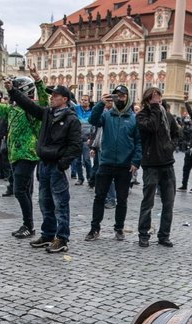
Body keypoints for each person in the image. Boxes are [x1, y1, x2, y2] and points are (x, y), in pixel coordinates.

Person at [8, 83, 81, 252]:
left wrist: (63, 163)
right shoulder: (48, 113)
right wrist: (13, 91)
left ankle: (62, 238)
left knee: (60, 203)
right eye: (51, 95)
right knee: (44, 201)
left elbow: (75, 145)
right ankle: (48, 234)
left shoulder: (71, 119)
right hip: (44, 163)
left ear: (64, 99)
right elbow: (29, 105)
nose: (51, 98)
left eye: (55, 96)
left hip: (57, 165)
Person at [0, 70, 47, 238]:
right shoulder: (13, 109)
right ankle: (29, 225)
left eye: (15, 90)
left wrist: (38, 81)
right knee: (24, 190)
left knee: (19, 190)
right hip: (14, 153)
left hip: (27, 153)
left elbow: (44, 100)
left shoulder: (33, 109)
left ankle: (28, 225)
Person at [85, 86, 141, 242]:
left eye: (122, 96)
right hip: (106, 163)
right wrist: (100, 103)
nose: (119, 98)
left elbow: (138, 142)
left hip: (125, 165)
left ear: (127, 97)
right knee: (99, 197)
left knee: (122, 199)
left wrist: (136, 161)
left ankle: (119, 228)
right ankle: (94, 228)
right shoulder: (107, 115)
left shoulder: (133, 118)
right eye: (116, 96)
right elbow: (92, 120)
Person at [135, 87, 181, 248]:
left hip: (167, 163)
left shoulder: (167, 115)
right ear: (148, 100)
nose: (158, 101)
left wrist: (170, 145)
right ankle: (143, 234)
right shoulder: (142, 115)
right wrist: (154, 108)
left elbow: (176, 132)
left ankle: (164, 235)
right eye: (154, 99)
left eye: (159, 98)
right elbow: (152, 127)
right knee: (148, 202)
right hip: (151, 164)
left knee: (169, 202)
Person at [72, 94, 95, 185]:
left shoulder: (92, 111)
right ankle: (80, 178)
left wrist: (91, 138)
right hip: (77, 139)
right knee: (77, 160)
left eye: (85, 100)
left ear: (89, 102)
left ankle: (89, 177)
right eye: (81, 100)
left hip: (87, 139)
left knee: (86, 160)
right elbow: (69, 101)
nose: (83, 102)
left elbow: (94, 126)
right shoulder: (77, 108)